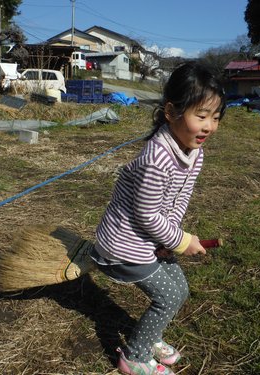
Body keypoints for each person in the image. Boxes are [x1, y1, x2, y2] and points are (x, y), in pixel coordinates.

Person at [90, 62, 226, 375]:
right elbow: (146, 213)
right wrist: (180, 241)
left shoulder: (195, 153)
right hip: (123, 244)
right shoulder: (157, 158)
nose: (208, 126)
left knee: (179, 287)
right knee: (169, 296)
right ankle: (134, 357)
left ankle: (150, 335)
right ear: (171, 111)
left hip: (149, 237)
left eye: (215, 118)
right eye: (201, 116)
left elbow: (180, 199)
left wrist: (170, 241)